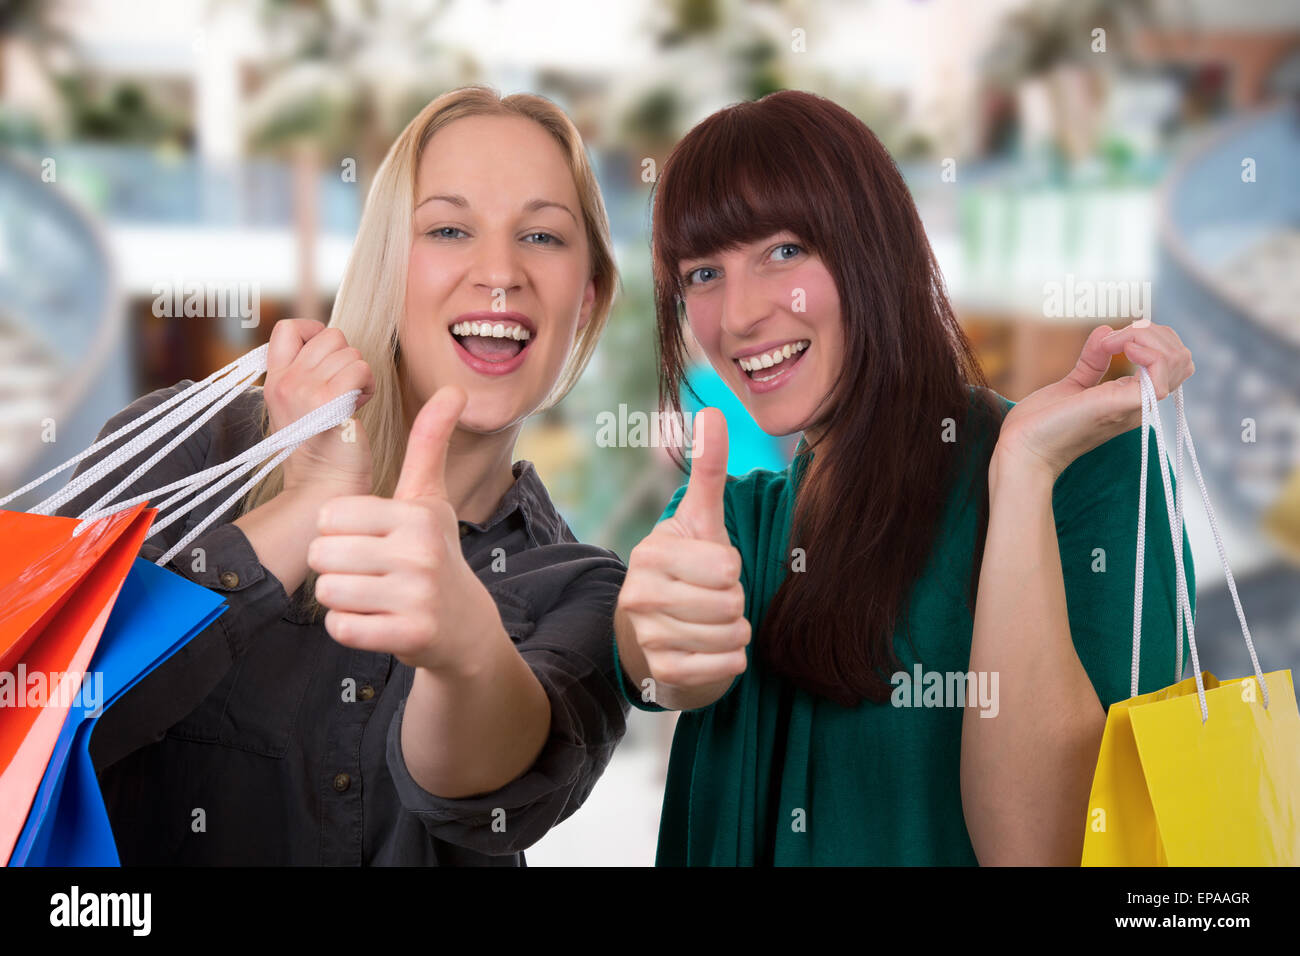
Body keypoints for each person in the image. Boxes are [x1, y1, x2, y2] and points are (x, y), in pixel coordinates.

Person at [613, 89, 1197, 866]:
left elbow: (1046, 850)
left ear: (876, 248)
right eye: (701, 274)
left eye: (784, 251)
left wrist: (1022, 475)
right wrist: (653, 636)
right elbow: (652, 657)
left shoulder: (1089, 477)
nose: (739, 314)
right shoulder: (732, 521)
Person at [56, 86, 628, 865]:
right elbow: (32, 709)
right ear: (387, 264)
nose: (499, 273)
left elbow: (481, 794)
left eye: (542, 236)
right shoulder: (190, 450)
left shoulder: (580, 587)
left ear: (587, 298)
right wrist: (307, 507)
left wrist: (464, 651)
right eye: (450, 229)